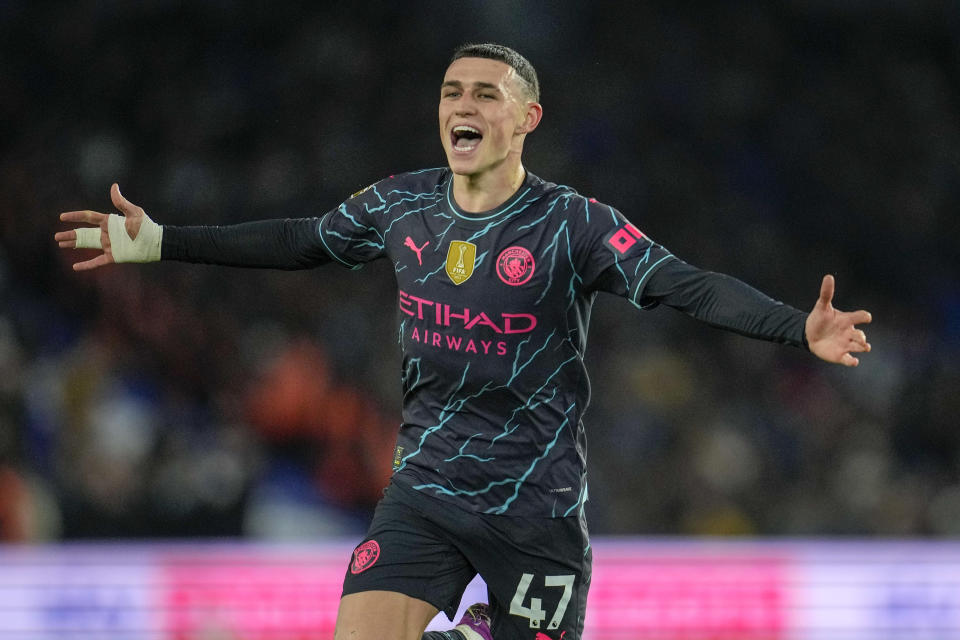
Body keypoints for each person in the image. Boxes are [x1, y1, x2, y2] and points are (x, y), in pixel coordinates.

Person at [56, 43, 872, 640]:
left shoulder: (573, 224)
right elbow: (302, 238)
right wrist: (162, 241)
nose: (464, 108)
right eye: (452, 93)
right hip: (428, 495)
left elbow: (685, 285)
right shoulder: (400, 206)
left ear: (528, 120)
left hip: (537, 512)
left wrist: (796, 328)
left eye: (486, 94)